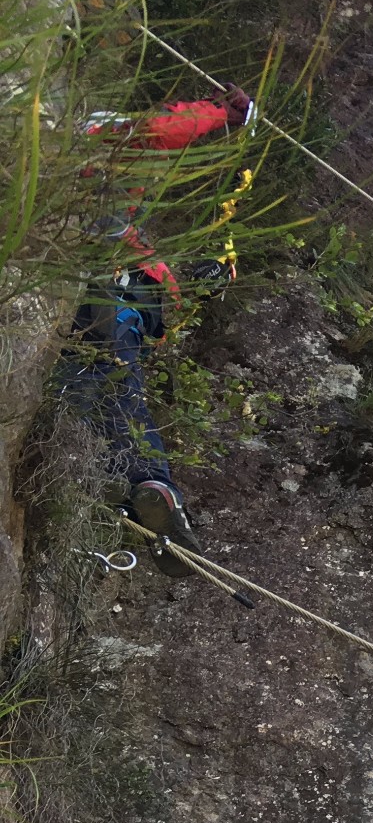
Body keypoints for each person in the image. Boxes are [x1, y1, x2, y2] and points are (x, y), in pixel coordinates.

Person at [60, 86, 253, 574]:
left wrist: (221, 114)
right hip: (123, 295)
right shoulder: (105, 161)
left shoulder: (104, 170)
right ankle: (142, 486)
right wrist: (223, 114)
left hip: (115, 299)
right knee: (114, 387)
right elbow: (155, 133)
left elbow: (153, 134)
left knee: (98, 385)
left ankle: (134, 487)